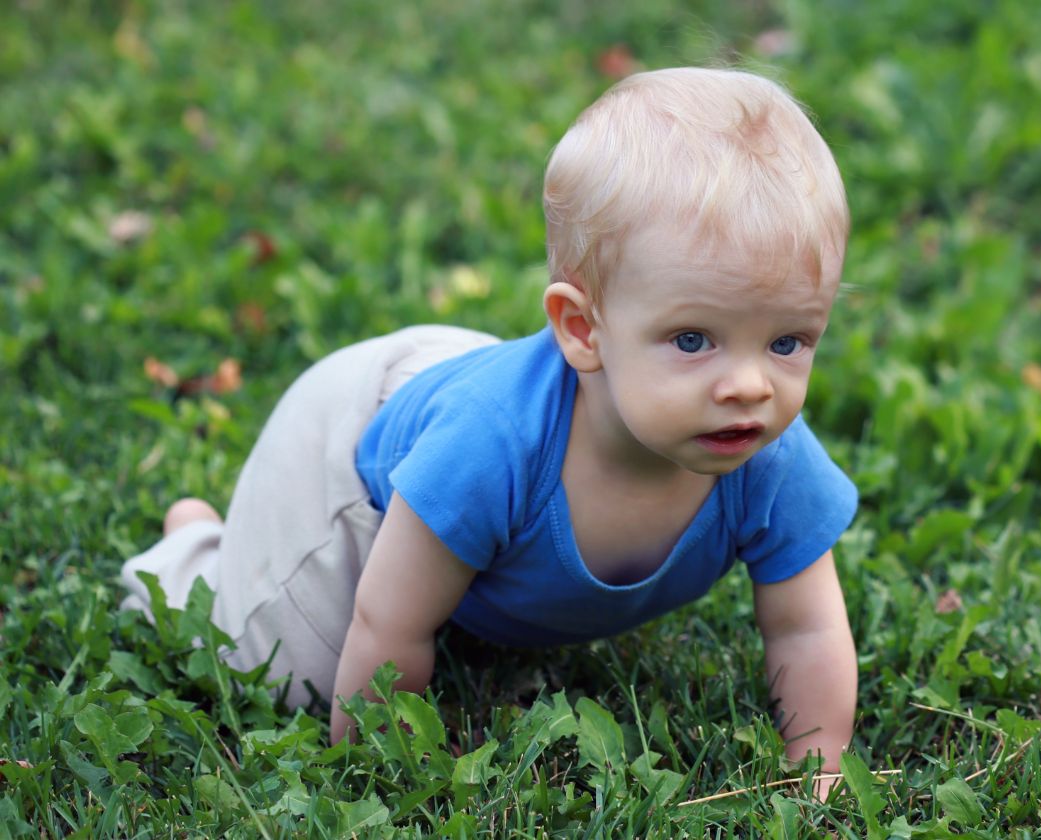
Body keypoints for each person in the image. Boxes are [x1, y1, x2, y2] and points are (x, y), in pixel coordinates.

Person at [120, 67, 859, 788]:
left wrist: (818, 767)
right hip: (364, 440)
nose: (750, 386)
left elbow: (806, 629)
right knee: (288, 676)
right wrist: (384, 773)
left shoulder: (767, 452)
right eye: (694, 340)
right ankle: (196, 555)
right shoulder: (491, 448)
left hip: (509, 389)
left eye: (787, 341)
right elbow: (388, 623)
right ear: (583, 329)